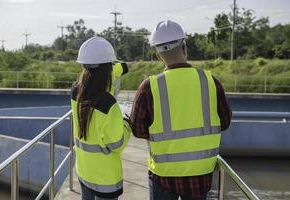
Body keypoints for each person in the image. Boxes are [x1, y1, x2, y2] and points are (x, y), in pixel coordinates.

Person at [128, 20, 232, 200]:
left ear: (159, 55)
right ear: (184, 47)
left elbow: (137, 129)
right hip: (200, 173)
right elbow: (224, 122)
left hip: (163, 174)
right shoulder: (210, 82)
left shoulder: (149, 87)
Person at [71, 36, 131, 200]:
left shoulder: (76, 91)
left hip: (84, 170)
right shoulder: (107, 103)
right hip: (105, 178)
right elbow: (116, 144)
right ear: (107, 68)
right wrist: (126, 122)